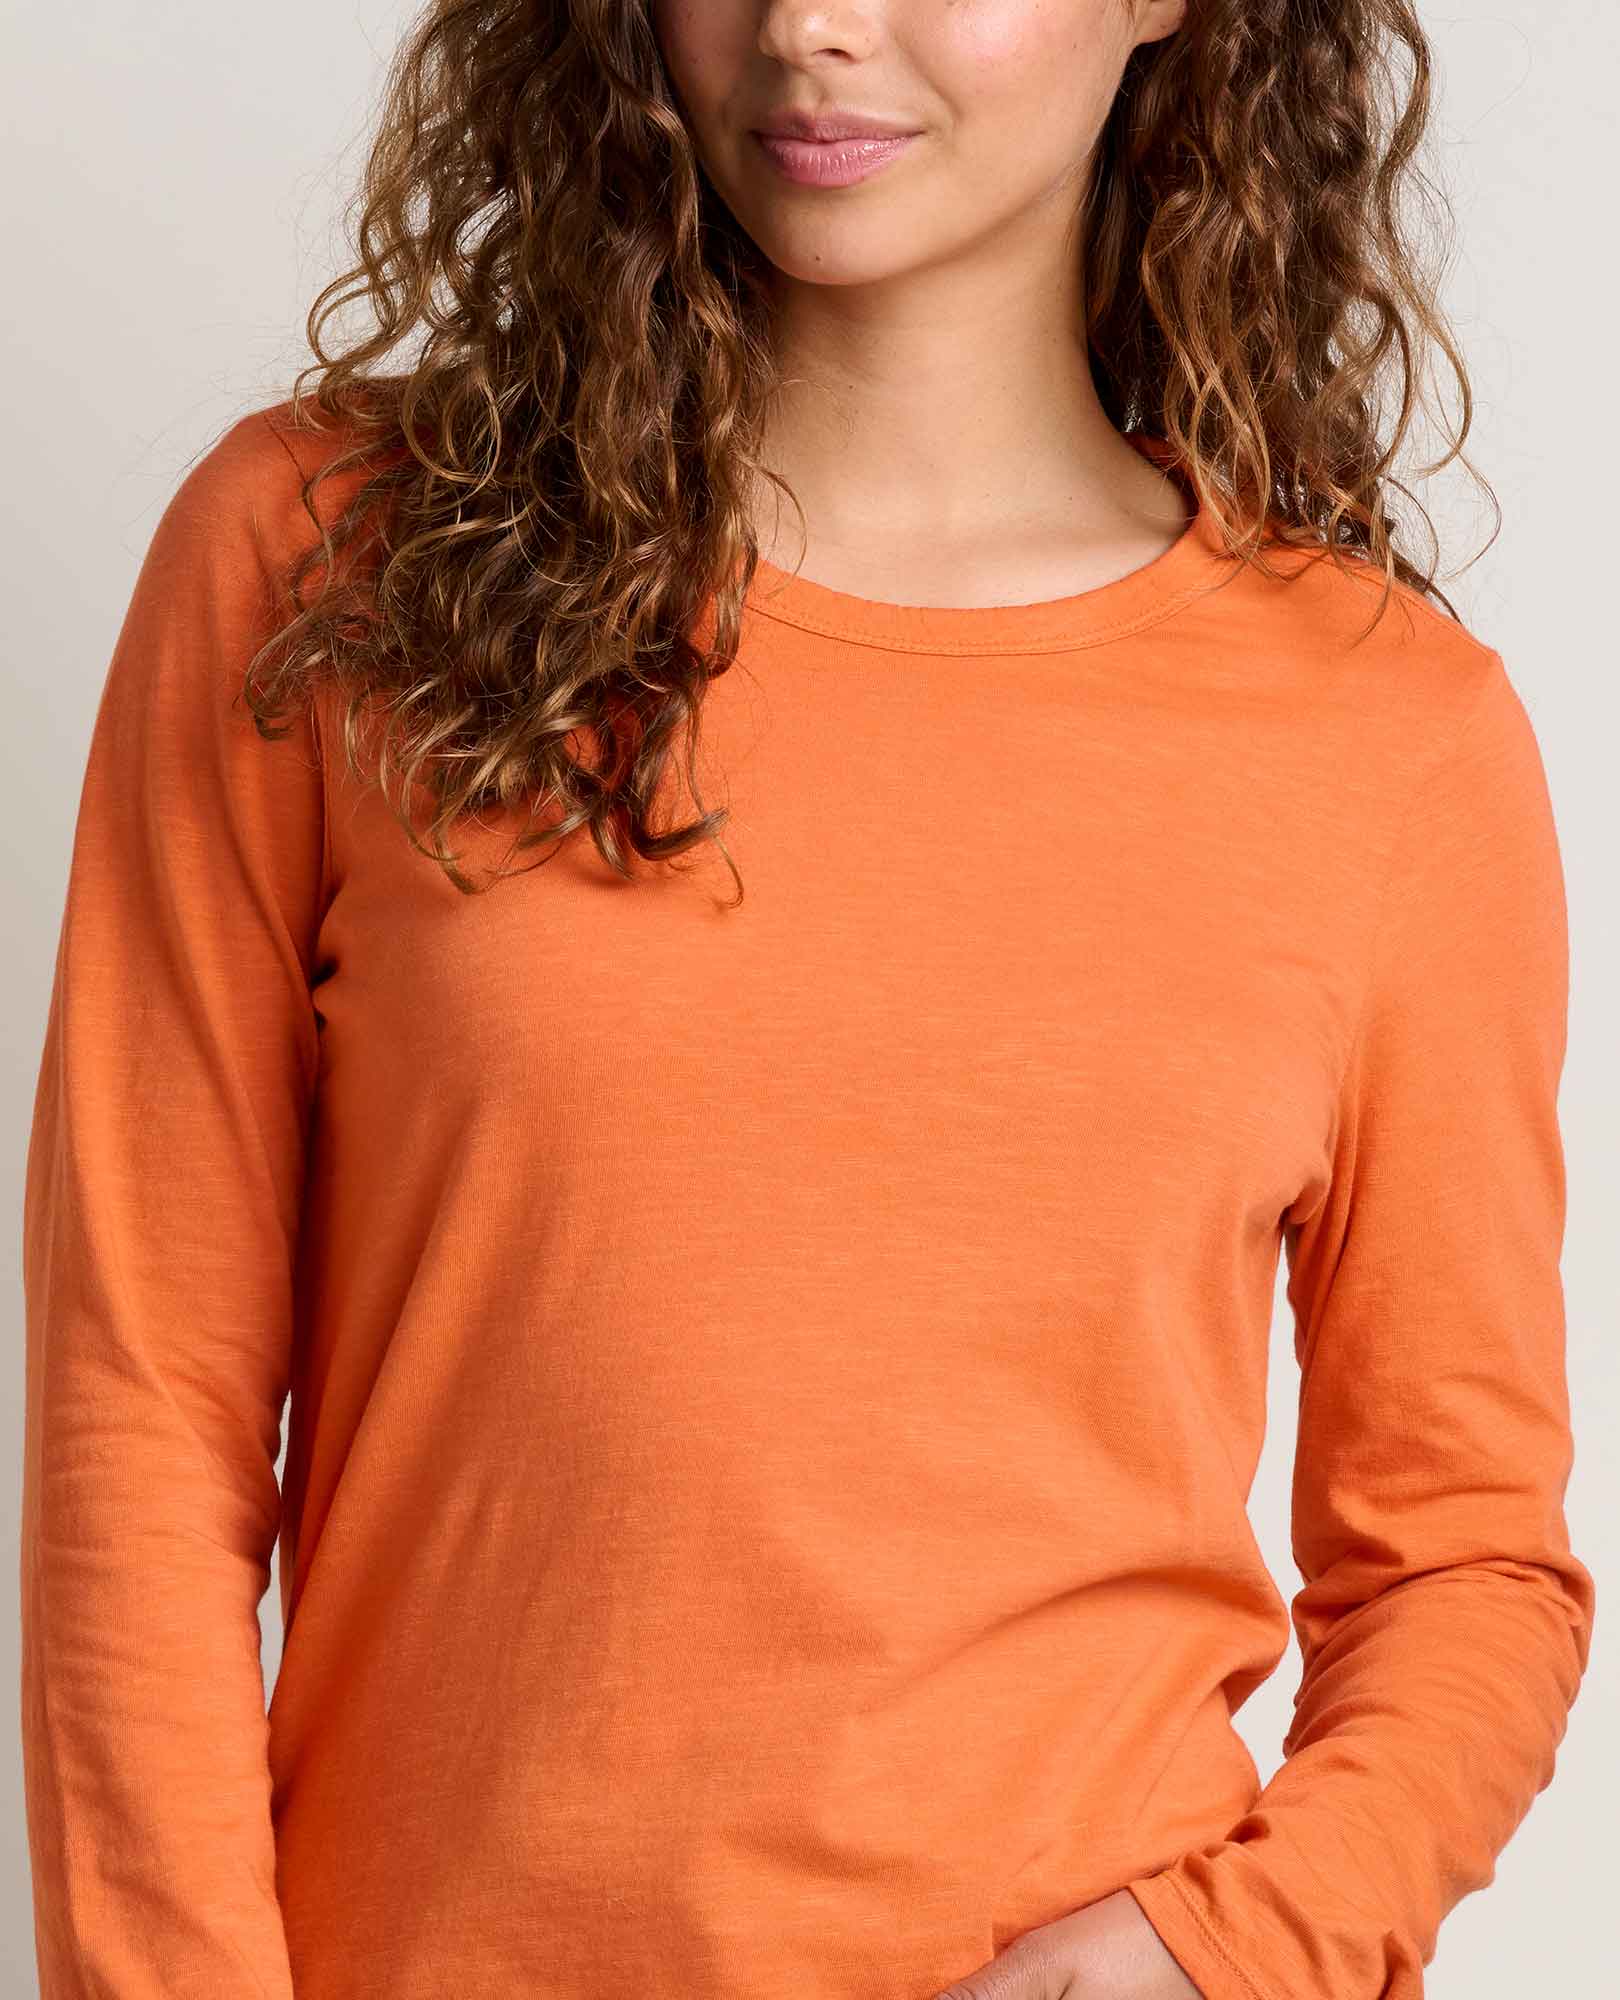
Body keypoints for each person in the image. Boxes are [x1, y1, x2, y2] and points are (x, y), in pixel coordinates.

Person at [18, 3, 1596, 1998]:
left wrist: (1227, 1954)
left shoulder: (1387, 741)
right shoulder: (327, 565)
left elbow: (1466, 1565)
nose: (808, 27)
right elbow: (138, 1430)